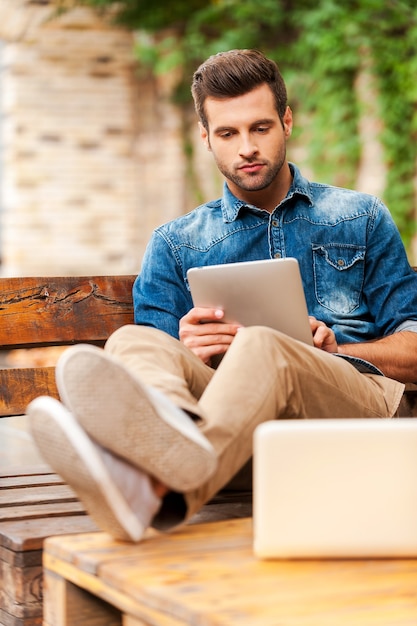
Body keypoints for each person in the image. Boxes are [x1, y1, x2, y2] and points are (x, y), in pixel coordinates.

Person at [28, 49, 417, 542]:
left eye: (260, 128)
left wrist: (336, 350)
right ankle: (173, 448)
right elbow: (155, 368)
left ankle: (156, 488)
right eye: (228, 133)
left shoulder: (359, 216)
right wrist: (188, 349)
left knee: (264, 345)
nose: (247, 147)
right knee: (134, 341)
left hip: (353, 420)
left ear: (287, 122)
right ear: (206, 137)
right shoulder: (177, 242)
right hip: (241, 443)